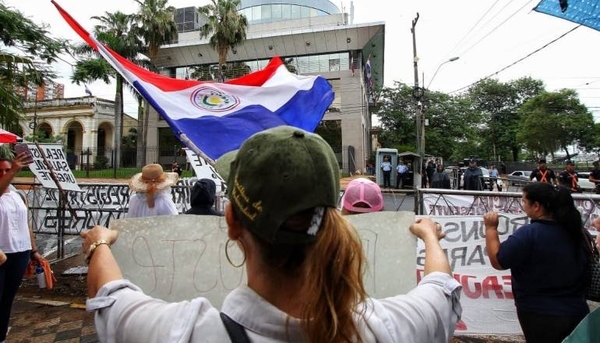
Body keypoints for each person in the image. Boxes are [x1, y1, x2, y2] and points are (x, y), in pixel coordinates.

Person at [80, 125, 462, 342]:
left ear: (232, 223)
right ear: (332, 221)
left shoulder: (183, 334)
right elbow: (440, 288)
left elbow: (111, 298)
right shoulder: (389, 328)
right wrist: (428, 236)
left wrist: (100, 243)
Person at [484, 182, 589, 343]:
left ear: (537, 206)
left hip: (540, 316)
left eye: (524, 201)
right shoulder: (579, 232)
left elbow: (499, 260)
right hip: (578, 312)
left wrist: (491, 229)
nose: (522, 205)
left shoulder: (530, 234)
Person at [0, 153, 43, 343]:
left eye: (7, 170)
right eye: (0, 170)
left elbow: (26, 224)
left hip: (20, 253)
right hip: (1, 254)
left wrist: (33, 251)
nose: (4, 173)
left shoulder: (18, 194)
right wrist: (16, 168)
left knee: (7, 300)